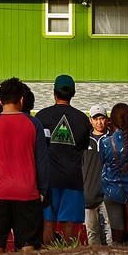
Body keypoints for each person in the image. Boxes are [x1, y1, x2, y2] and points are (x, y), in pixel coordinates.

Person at [0, 78, 48, 253]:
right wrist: (42, 191)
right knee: (28, 245)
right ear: (22, 100)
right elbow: (41, 161)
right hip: (27, 192)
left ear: (0, 100)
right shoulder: (34, 124)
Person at [33, 74, 94, 244]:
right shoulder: (82, 119)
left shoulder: (42, 117)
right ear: (73, 94)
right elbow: (82, 147)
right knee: (69, 226)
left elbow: (40, 148)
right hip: (73, 178)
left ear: (54, 93)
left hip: (49, 179)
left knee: (48, 224)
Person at [98, 102, 128, 245]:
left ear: (112, 121)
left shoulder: (105, 142)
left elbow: (102, 164)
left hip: (112, 192)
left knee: (117, 238)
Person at [83, 111, 108, 246]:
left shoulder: (112, 139)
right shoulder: (84, 140)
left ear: (107, 120)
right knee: (92, 232)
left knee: (109, 231)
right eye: (95, 119)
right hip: (89, 194)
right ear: (90, 120)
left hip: (108, 193)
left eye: (102, 118)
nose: (99, 122)